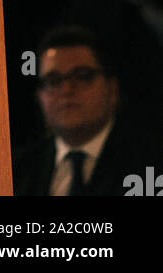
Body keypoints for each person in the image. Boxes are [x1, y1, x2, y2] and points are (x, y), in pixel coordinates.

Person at [12, 26, 162, 196]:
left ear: (112, 89)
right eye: (53, 81)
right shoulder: (16, 171)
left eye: (83, 76)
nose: (67, 89)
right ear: (40, 97)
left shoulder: (152, 163)